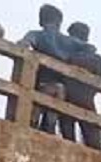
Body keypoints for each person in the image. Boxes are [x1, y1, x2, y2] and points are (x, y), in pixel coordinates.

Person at [20, 4, 93, 139]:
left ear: (41, 21)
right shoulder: (68, 41)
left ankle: (30, 131)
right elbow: (90, 48)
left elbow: (23, 44)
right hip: (60, 87)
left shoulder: (35, 34)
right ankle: (48, 132)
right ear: (60, 22)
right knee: (50, 121)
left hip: (39, 84)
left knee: (32, 119)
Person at [61, 22, 101, 149]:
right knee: (93, 140)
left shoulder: (68, 55)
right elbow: (100, 82)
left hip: (68, 97)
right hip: (88, 100)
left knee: (68, 139)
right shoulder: (97, 58)